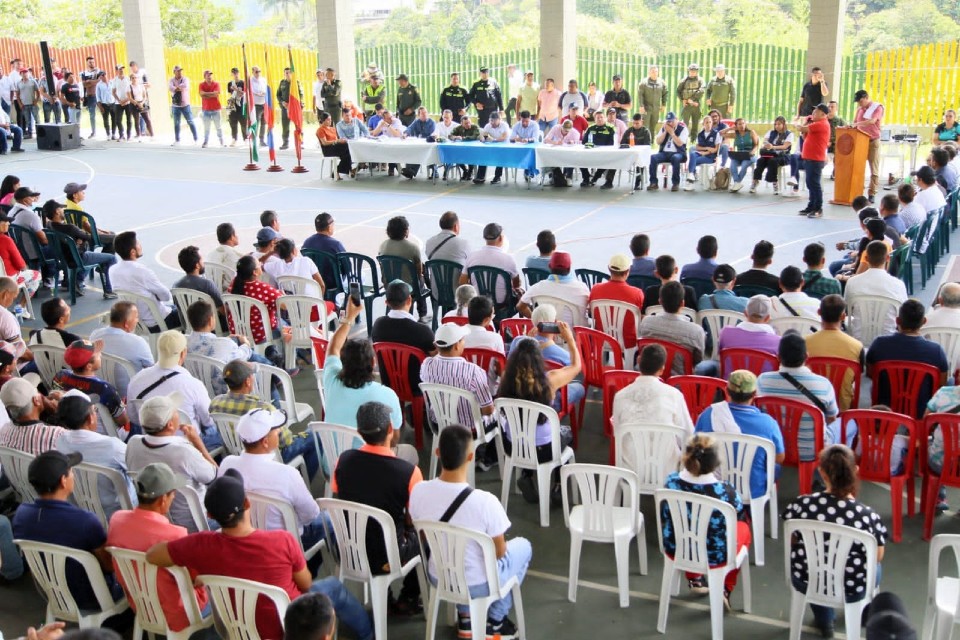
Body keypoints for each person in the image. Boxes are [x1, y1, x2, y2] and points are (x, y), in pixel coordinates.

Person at [146, 469, 374, 640]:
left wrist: (191, 569)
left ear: (211, 514)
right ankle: (369, 634)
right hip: (288, 624)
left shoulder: (199, 545)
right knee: (333, 586)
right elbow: (305, 584)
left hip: (235, 625)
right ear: (247, 503)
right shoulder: (281, 540)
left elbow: (153, 555)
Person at [409, 424, 529, 640]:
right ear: (470, 456)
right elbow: (500, 553)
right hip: (479, 584)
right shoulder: (485, 502)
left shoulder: (419, 492)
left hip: (439, 576)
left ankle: (465, 617)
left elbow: (424, 535)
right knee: (524, 547)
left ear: (437, 453)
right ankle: (495, 621)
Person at [12, 450, 131, 630]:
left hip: (52, 593)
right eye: (71, 471)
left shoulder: (22, 515)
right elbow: (109, 565)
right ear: (63, 480)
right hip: (93, 597)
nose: (73, 475)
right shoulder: (85, 520)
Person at [782, 445, 885, 639]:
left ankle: (825, 619)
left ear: (821, 473)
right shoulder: (867, 516)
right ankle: (862, 612)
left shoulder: (801, 505)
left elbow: (793, 539)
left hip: (808, 579)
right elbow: (878, 556)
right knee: (875, 566)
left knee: (815, 565)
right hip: (853, 585)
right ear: (855, 472)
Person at [331, 400, 424, 613]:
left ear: (359, 432)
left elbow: (340, 496)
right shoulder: (408, 472)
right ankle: (409, 597)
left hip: (347, 548)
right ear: (390, 429)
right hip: (387, 556)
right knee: (424, 536)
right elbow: (413, 519)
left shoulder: (343, 461)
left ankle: (386, 596)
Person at [106, 462, 210, 635]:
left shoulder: (116, 520)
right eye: (172, 494)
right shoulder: (176, 536)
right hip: (180, 614)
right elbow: (198, 579)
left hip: (141, 607)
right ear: (163, 499)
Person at [219, 408, 329, 571]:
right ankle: (310, 569)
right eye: (275, 430)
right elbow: (311, 515)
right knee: (328, 519)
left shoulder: (227, 464)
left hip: (247, 538)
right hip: (285, 541)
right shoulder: (287, 474)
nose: (279, 431)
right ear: (265, 441)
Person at [324, 298, 418, 466]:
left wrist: (349, 319)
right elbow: (394, 438)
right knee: (410, 453)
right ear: (373, 364)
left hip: (332, 464)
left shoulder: (331, 380)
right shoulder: (387, 394)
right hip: (371, 467)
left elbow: (333, 348)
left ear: (342, 362)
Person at [661, 434, 750, 606]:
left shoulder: (670, 482)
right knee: (743, 527)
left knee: (688, 525)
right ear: (716, 463)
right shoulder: (726, 491)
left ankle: (694, 577)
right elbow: (738, 512)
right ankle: (725, 587)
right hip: (715, 554)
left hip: (676, 546)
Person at [209, 359, 315, 469]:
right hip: (271, 458)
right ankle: (303, 477)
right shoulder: (263, 409)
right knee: (314, 435)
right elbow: (286, 441)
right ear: (248, 381)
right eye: (252, 375)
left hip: (239, 456)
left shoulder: (215, 403)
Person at [125, 331, 218, 452]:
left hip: (152, 440)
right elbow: (209, 421)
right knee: (216, 430)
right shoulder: (193, 384)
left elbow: (134, 418)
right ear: (183, 353)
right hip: (189, 445)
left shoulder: (136, 380)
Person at [696, 369, 785, 493]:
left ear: (726, 391)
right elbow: (779, 457)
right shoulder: (768, 423)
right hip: (753, 489)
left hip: (716, 484)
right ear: (754, 394)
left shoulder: (708, 414)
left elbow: (696, 445)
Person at [757, 330, 842, 453]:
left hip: (775, 446)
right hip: (812, 451)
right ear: (806, 357)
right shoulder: (824, 384)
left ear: (778, 357)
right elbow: (831, 419)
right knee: (847, 423)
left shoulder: (762, 381)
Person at [55, 392, 134, 518]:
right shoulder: (112, 446)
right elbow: (138, 470)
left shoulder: (60, 443)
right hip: (119, 514)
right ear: (90, 418)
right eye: (94, 411)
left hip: (82, 512)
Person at [866, 300, 949, 417]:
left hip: (885, 407)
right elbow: (941, 384)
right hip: (920, 410)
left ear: (897, 320)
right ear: (924, 321)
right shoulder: (936, 351)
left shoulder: (879, 344)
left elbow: (871, 374)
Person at [54, 339, 131, 437]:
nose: (101, 355)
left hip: (68, 430)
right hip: (104, 434)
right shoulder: (104, 388)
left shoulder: (60, 376)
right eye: (98, 354)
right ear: (89, 366)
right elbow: (123, 420)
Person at [613, 343, 694, 436]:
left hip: (630, 450)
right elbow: (688, 435)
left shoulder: (619, 396)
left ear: (638, 360)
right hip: (665, 450)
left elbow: (617, 433)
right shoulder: (675, 395)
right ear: (662, 369)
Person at [44, 200, 118, 300]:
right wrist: (79, 240)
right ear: (57, 211)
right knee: (112, 256)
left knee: (87, 248)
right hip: (78, 258)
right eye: (61, 209)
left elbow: (81, 237)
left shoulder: (49, 226)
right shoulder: (70, 228)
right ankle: (109, 290)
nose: (63, 211)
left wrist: (78, 240)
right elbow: (90, 237)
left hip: (64, 258)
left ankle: (78, 281)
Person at [372, 280, 437, 389]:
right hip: (417, 385)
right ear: (409, 300)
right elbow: (435, 355)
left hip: (388, 383)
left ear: (386, 303)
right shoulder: (422, 331)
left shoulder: (378, 325)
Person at [805, 295, 865, 412]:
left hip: (812, 406)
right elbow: (857, 376)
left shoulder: (804, 342)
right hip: (843, 409)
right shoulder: (857, 346)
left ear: (819, 312)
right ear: (843, 316)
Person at [110, 231, 180, 330]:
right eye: (138, 243)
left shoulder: (112, 270)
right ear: (132, 252)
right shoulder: (142, 271)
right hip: (157, 322)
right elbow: (166, 296)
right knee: (186, 311)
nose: (140, 246)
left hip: (135, 322)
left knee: (171, 307)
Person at [843, 241, 908, 339]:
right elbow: (903, 314)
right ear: (887, 258)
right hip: (888, 338)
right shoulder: (898, 285)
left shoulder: (852, 282)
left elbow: (848, 309)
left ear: (866, 258)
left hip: (858, 338)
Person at [639, 281, 706, 375]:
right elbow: (698, 360)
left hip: (652, 374)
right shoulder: (696, 331)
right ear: (682, 303)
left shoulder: (646, 322)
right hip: (680, 383)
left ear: (660, 301)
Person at [88, 301, 155, 395]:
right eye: (136, 317)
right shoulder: (138, 342)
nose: (137, 320)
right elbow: (151, 369)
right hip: (130, 394)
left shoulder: (95, 335)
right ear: (126, 324)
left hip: (100, 390)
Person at [588, 254, 645, 351]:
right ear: (627, 272)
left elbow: (590, 313)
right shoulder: (637, 293)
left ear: (609, 269)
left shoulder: (595, 289)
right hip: (628, 342)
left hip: (602, 338)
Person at [377, 217, 429, 320]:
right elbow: (419, 271)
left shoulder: (383, 245)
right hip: (408, 286)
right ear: (405, 231)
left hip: (389, 284)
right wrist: (420, 277)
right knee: (421, 282)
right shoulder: (413, 248)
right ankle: (422, 314)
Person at [517, 252, 589, 325]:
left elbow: (520, 306)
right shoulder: (582, 289)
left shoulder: (537, 287)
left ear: (549, 266)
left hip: (545, 334)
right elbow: (590, 311)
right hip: (574, 335)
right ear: (569, 268)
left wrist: (535, 320)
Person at [461, 223, 521, 310]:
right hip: (502, 304)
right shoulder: (508, 259)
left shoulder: (472, 256)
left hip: (478, 301)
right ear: (501, 238)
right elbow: (516, 284)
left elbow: (462, 282)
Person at [0, 377, 63, 454]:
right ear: (36, 400)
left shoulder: (4, 430)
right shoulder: (55, 434)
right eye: (37, 391)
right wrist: (64, 404)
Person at [797, 103, 831, 217]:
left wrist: (800, 123)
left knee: (814, 184)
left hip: (816, 159)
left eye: (816, 112)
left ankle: (818, 208)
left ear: (823, 114)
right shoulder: (815, 124)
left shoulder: (822, 124)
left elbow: (801, 128)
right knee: (810, 183)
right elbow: (804, 135)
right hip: (809, 158)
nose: (813, 113)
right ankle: (811, 206)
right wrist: (807, 123)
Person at [851, 89, 884, 203]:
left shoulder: (877, 107)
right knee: (858, 167)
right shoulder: (859, 110)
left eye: (860, 101)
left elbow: (872, 121)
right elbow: (854, 122)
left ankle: (872, 193)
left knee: (873, 169)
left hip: (873, 140)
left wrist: (857, 124)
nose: (859, 104)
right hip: (861, 141)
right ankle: (857, 191)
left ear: (866, 97)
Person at [0, 211, 40, 305]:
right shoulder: (6, 240)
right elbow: (20, 264)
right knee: (36, 275)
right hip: (8, 278)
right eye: (5, 221)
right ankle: (21, 306)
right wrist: (25, 269)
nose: (8, 223)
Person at [750, 116, 794, 194]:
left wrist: (773, 147)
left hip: (782, 156)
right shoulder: (771, 132)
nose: (776, 126)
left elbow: (785, 146)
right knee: (760, 160)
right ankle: (755, 181)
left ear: (784, 124)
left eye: (779, 124)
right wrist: (766, 145)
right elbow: (765, 142)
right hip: (769, 154)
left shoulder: (789, 134)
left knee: (772, 161)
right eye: (775, 124)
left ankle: (774, 182)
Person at [648, 111, 689, 192]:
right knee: (653, 158)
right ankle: (653, 183)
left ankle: (675, 183)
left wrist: (672, 133)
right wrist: (665, 132)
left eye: (672, 121)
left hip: (678, 153)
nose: (670, 123)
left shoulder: (683, 129)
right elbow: (658, 142)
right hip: (665, 152)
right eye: (668, 121)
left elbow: (680, 143)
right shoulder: (664, 128)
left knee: (675, 158)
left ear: (676, 119)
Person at [578, 110, 618, 189]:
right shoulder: (590, 128)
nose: (599, 119)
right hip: (591, 152)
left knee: (613, 160)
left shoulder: (611, 128)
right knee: (579, 158)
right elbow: (584, 142)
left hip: (606, 153)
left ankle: (601, 179)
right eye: (597, 118)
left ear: (605, 118)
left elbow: (612, 143)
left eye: (601, 117)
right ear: (594, 119)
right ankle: (586, 178)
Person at [683, 116, 722, 190]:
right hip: (701, 153)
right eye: (706, 122)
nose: (708, 124)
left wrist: (706, 153)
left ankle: (690, 181)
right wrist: (706, 148)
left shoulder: (716, 134)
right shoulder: (700, 134)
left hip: (710, 157)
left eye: (710, 122)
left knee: (692, 162)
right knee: (692, 154)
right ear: (703, 124)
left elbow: (716, 149)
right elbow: (697, 147)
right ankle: (691, 175)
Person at [722, 117, 758, 192]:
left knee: (744, 165)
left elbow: (756, 145)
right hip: (739, 154)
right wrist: (730, 128)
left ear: (745, 124)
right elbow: (721, 134)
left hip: (750, 154)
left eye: (743, 123)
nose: (741, 125)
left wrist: (752, 152)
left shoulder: (751, 132)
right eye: (739, 124)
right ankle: (737, 183)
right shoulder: (735, 134)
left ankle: (737, 183)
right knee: (732, 164)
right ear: (736, 126)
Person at [474, 112, 511, 185]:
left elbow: (503, 138)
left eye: (494, 121)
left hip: (503, 147)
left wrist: (493, 140)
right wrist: (483, 139)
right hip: (491, 147)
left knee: (501, 157)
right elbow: (484, 135)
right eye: (491, 121)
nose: (492, 123)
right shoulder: (488, 125)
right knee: (483, 156)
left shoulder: (504, 125)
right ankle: (480, 176)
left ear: (499, 120)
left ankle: (497, 177)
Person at [401, 106, 437, 179]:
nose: (424, 114)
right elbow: (410, 128)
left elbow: (433, 135)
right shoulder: (416, 121)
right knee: (412, 150)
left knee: (423, 151)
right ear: (419, 115)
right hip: (419, 144)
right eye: (422, 113)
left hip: (429, 144)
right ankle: (410, 170)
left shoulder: (432, 122)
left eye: (425, 112)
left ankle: (434, 171)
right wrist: (405, 134)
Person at [168, 66, 197, 145]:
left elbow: (185, 86)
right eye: (178, 71)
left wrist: (175, 88)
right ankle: (177, 140)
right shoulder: (171, 80)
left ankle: (195, 139)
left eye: (180, 71)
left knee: (190, 121)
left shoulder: (185, 79)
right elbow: (170, 87)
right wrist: (177, 88)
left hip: (185, 104)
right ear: (174, 72)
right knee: (176, 123)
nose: (180, 72)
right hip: (176, 105)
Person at [637, 65, 667, 137]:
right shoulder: (644, 83)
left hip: (656, 108)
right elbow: (640, 94)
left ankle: (652, 141)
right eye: (653, 71)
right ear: (649, 72)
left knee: (653, 125)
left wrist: (663, 104)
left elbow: (665, 93)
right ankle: (645, 141)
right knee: (645, 125)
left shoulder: (661, 82)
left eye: (656, 71)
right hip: (646, 108)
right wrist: (641, 106)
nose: (655, 73)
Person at [449, 115, 482, 180]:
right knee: (455, 156)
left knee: (470, 157)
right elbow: (450, 135)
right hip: (461, 148)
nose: (468, 124)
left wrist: (463, 138)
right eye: (466, 123)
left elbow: (475, 136)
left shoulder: (474, 127)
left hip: (472, 149)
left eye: (469, 122)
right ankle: (465, 170)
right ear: (461, 123)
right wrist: (455, 137)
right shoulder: (458, 128)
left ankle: (470, 171)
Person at [197, 69, 223, 149]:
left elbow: (216, 94)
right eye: (208, 75)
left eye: (211, 75)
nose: (210, 76)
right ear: (204, 76)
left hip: (216, 109)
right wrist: (211, 94)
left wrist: (206, 94)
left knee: (218, 126)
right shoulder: (201, 85)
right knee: (206, 127)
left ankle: (221, 140)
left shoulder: (216, 84)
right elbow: (201, 94)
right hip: (206, 109)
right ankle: (206, 141)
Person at [109, 65, 132, 141]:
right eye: (120, 69)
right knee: (118, 120)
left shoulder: (127, 79)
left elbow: (130, 91)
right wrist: (119, 101)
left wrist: (125, 100)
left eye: (122, 69)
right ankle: (121, 135)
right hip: (118, 103)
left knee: (129, 119)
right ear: (117, 70)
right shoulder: (115, 80)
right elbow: (113, 92)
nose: (121, 70)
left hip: (127, 102)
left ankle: (129, 135)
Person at [249, 66, 268, 145]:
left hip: (264, 104)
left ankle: (261, 139)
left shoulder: (263, 80)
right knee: (255, 123)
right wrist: (257, 93)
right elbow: (251, 92)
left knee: (264, 123)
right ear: (253, 72)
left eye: (259, 71)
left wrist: (264, 93)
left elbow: (266, 90)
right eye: (256, 72)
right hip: (256, 105)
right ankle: (254, 139)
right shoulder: (250, 81)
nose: (258, 73)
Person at [94, 72, 116, 140]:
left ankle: (113, 134)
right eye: (102, 76)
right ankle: (108, 134)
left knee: (114, 119)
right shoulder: (99, 85)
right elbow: (98, 96)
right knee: (106, 120)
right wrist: (100, 106)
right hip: (104, 104)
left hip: (112, 103)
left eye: (104, 75)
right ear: (100, 77)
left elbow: (115, 92)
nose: (103, 76)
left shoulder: (112, 82)